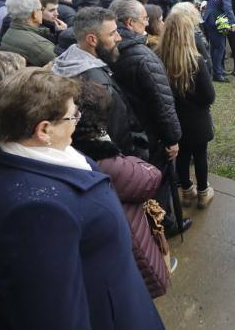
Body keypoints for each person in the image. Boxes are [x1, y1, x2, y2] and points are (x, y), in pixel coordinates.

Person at [0, 69, 165, 328]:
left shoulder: (29, 154)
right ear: (44, 130)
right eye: (73, 116)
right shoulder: (32, 213)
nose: (77, 121)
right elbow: (55, 316)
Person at [71, 82, 173, 297]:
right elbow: (151, 177)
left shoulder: (74, 151)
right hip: (132, 246)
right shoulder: (104, 161)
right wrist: (133, 160)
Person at [108, 0, 187, 237]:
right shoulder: (144, 56)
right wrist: (173, 138)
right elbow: (162, 103)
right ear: (130, 22)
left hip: (126, 132)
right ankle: (162, 228)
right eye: (145, 20)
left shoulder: (110, 49)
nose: (148, 23)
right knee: (157, 183)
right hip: (149, 135)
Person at [51, 7, 136, 153]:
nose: (119, 37)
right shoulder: (98, 83)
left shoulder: (66, 59)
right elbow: (118, 134)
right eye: (112, 34)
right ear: (92, 39)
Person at [159, 10, 216, 209]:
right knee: (200, 155)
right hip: (197, 119)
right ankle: (202, 193)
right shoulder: (195, 60)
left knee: (182, 156)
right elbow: (209, 95)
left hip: (173, 119)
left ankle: (186, 191)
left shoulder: (158, 57)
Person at [0, 0, 56, 67]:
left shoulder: (11, 31)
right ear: (34, 14)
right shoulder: (38, 44)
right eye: (40, 9)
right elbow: (63, 64)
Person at [201, 0, 235, 82]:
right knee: (220, 47)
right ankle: (217, 74)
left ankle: (215, 70)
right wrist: (233, 22)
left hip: (208, 19)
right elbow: (227, 8)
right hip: (219, 20)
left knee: (214, 47)